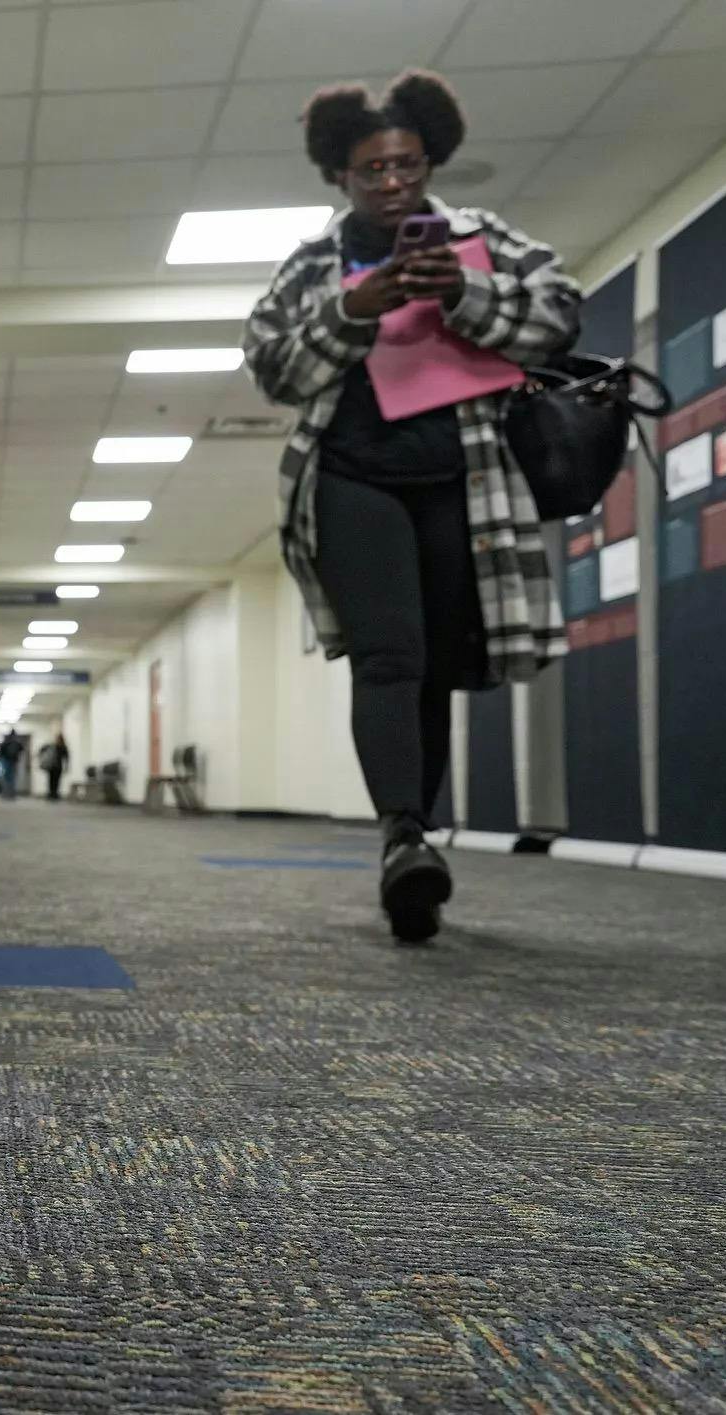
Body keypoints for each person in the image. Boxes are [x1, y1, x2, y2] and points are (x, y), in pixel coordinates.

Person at [243, 71, 578, 944]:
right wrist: (353, 310)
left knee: (433, 665)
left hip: (463, 483)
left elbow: (559, 314)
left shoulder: (482, 239)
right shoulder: (315, 266)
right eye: (371, 172)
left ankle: (415, 842)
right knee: (388, 657)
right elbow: (272, 365)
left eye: (407, 165)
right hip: (354, 474)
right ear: (339, 178)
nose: (392, 184)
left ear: (430, 162)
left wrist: (464, 294)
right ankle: (403, 836)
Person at [41, 733, 70, 801]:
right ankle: (52, 794)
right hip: (54, 766)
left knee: (54, 781)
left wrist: (66, 766)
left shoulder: (57, 746)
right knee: (53, 781)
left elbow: (66, 757)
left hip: (55, 766)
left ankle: (53, 794)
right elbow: (66, 757)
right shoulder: (56, 746)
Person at [0, 730, 25, 800]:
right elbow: (22, 749)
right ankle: (11, 794)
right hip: (13, 761)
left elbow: (1, 751)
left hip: (6, 761)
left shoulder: (6, 741)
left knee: (6, 778)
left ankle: (6, 794)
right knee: (12, 778)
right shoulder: (17, 742)